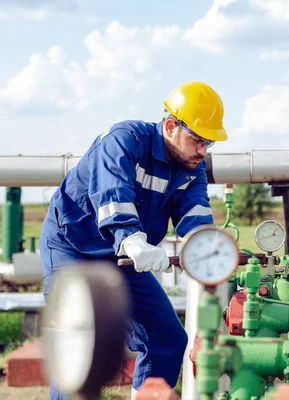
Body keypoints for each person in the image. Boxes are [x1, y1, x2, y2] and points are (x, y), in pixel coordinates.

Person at [39, 81, 228, 399]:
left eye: (208, 143)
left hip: (122, 256)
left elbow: (195, 217)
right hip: (71, 246)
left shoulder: (192, 169)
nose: (203, 151)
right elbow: (113, 196)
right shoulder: (125, 140)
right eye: (197, 140)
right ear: (170, 126)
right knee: (77, 343)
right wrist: (131, 239)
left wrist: (207, 251)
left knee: (167, 338)